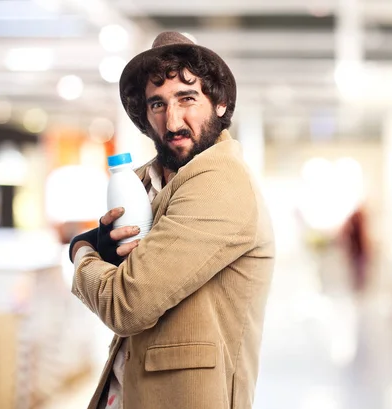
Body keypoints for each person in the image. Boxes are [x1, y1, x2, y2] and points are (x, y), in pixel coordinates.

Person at [69, 32, 275, 409]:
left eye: (187, 99)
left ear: (220, 103)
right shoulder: (146, 179)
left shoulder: (220, 181)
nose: (173, 120)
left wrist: (82, 254)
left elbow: (125, 304)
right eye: (157, 104)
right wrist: (103, 243)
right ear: (145, 115)